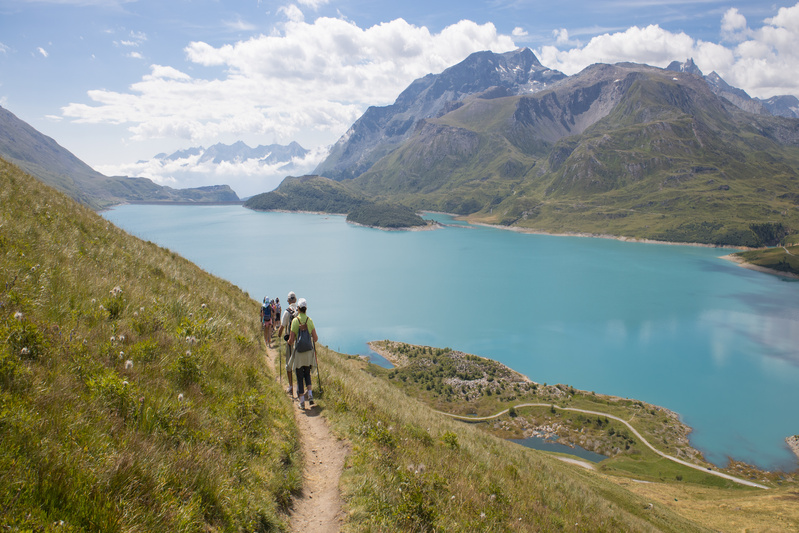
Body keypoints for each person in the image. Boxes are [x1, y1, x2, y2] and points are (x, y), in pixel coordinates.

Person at [288, 297, 318, 410]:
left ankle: (301, 402)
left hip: (299, 353)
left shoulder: (295, 321)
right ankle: (310, 394)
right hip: (309, 352)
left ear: (298, 309)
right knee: (307, 373)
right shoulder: (309, 320)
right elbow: (315, 339)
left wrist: (288, 341)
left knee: (299, 376)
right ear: (306, 308)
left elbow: (291, 341)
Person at [278, 291, 298, 396]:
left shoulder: (287, 312)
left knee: (288, 364)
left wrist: (279, 335)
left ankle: (290, 386)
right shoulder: (300, 311)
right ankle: (300, 387)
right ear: (295, 300)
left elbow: (282, 327)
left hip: (290, 341)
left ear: (288, 301)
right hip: (299, 342)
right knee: (299, 365)